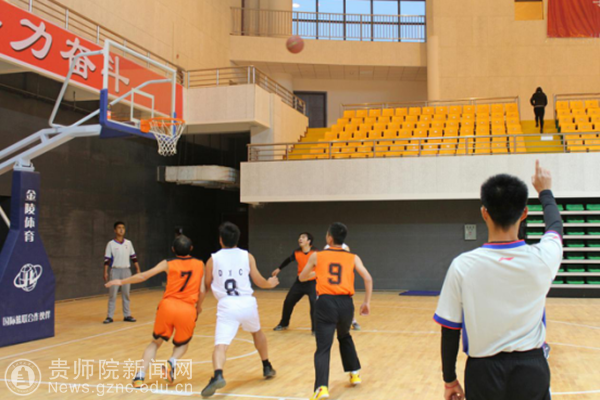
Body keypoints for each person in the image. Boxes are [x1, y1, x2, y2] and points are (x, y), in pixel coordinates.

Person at [434, 160, 562, 400]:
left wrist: (449, 379)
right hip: (531, 369)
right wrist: (545, 191)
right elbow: (555, 227)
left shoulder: (462, 266)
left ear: (484, 212)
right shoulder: (543, 258)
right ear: (524, 213)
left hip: (482, 372)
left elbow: (450, 329)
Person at [105, 235, 205, 388]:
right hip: (187, 308)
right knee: (182, 344)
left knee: (155, 342)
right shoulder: (199, 264)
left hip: (167, 306)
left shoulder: (168, 263)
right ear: (191, 248)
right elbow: (202, 290)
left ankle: (139, 376)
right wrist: (198, 307)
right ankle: (171, 362)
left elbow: (143, 276)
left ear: (173, 249)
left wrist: (121, 281)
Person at [201, 222, 280, 397]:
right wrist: (269, 284)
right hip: (247, 303)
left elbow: (206, 286)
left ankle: (218, 375)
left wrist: (197, 304)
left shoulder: (213, 259)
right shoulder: (247, 256)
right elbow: (258, 281)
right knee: (257, 332)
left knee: (221, 345)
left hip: (227, 305)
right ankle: (266, 365)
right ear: (237, 239)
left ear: (221, 239)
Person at [299, 222, 373, 400]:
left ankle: (321, 388)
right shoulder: (353, 257)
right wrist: (366, 303)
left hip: (325, 303)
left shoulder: (317, 256)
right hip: (346, 304)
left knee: (323, 347)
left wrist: (316, 273)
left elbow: (302, 277)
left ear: (329, 238)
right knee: (344, 336)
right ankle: (354, 373)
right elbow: (368, 278)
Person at [272, 232, 318, 333]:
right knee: (288, 301)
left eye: (303, 237)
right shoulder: (297, 252)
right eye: (299, 237)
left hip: (313, 282)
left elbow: (323, 265)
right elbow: (288, 260)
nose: (300, 239)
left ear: (309, 241)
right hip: (300, 282)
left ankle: (316, 329)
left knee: (314, 304)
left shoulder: (316, 252)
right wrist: (279, 269)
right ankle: (284, 323)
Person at [103, 221, 141, 324]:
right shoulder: (110, 244)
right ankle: (109, 316)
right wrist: (105, 272)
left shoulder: (128, 243)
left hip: (126, 271)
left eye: (123, 228)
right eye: (119, 228)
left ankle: (127, 315)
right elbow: (107, 259)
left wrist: (138, 269)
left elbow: (133, 257)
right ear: (115, 230)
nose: (121, 229)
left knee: (126, 294)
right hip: (115, 271)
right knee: (113, 294)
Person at [323, 242, 361, 331]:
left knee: (346, 303)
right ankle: (332, 321)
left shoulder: (345, 247)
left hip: (342, 279)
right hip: (330, 281)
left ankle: (353, 321)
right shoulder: (326, 247)